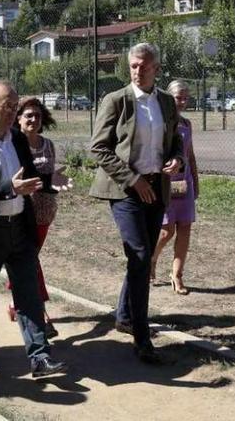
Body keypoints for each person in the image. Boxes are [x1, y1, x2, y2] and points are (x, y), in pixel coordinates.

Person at [0, 79, 67, 378]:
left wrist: (50, 182)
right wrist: (9, 188)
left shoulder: (16, 139)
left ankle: (39, 356)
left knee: (28, 293)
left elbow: (29, 177)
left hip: (20, 227)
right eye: (9, 108)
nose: (13, 113)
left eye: (15, 107)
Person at [89, 43, 184, 364]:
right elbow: (99, 148)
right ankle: (142, 337)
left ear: (156, 68)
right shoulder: (116, 101)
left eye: (143, 65)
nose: (137, 70)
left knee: (139, 259)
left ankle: (125, 316)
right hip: (125, 190)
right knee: (142, 254)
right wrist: (133, 179)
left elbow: (177, 140)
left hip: (157, 188)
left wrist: (177, 160)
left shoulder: (167, 102)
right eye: (132, 65)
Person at [4, 97, 71, 338]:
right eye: (28, 115)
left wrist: (57, 179)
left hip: (45, 213)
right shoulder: (11, 145)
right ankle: (41, 312)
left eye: (38, 116)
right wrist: (46, 179)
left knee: (28, 261)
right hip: (22, 213)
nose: (33, 119)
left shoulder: (48, 145)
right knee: (31, 262)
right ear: (18, 119)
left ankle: (15, 301)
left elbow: (50, 177)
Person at [149, 80, 199, 295]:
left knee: (185, 228)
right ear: (169, 98)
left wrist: (195, 180)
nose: (183, 101)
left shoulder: (187, 124)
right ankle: (151, 259)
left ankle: (177, 275)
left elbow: (190, 154)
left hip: (184, 184)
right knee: (167, 231)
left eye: (186, 97)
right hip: (165, 183)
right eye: (179, 97)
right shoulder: (160, 123)